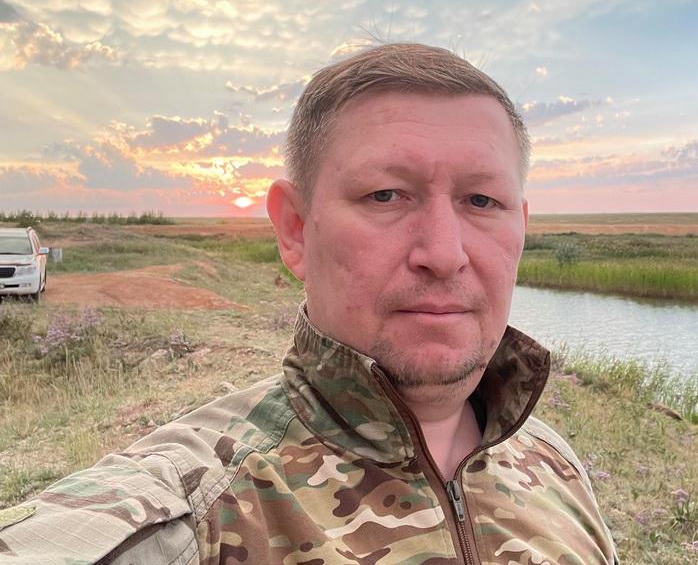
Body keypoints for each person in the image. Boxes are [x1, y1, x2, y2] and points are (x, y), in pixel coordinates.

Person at [0, 43, 618, 564]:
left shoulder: (554, 464)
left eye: (482, 201)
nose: (444, 253)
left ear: (521, 228)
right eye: (386, 195)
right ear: (295, 229)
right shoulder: (188, 515)